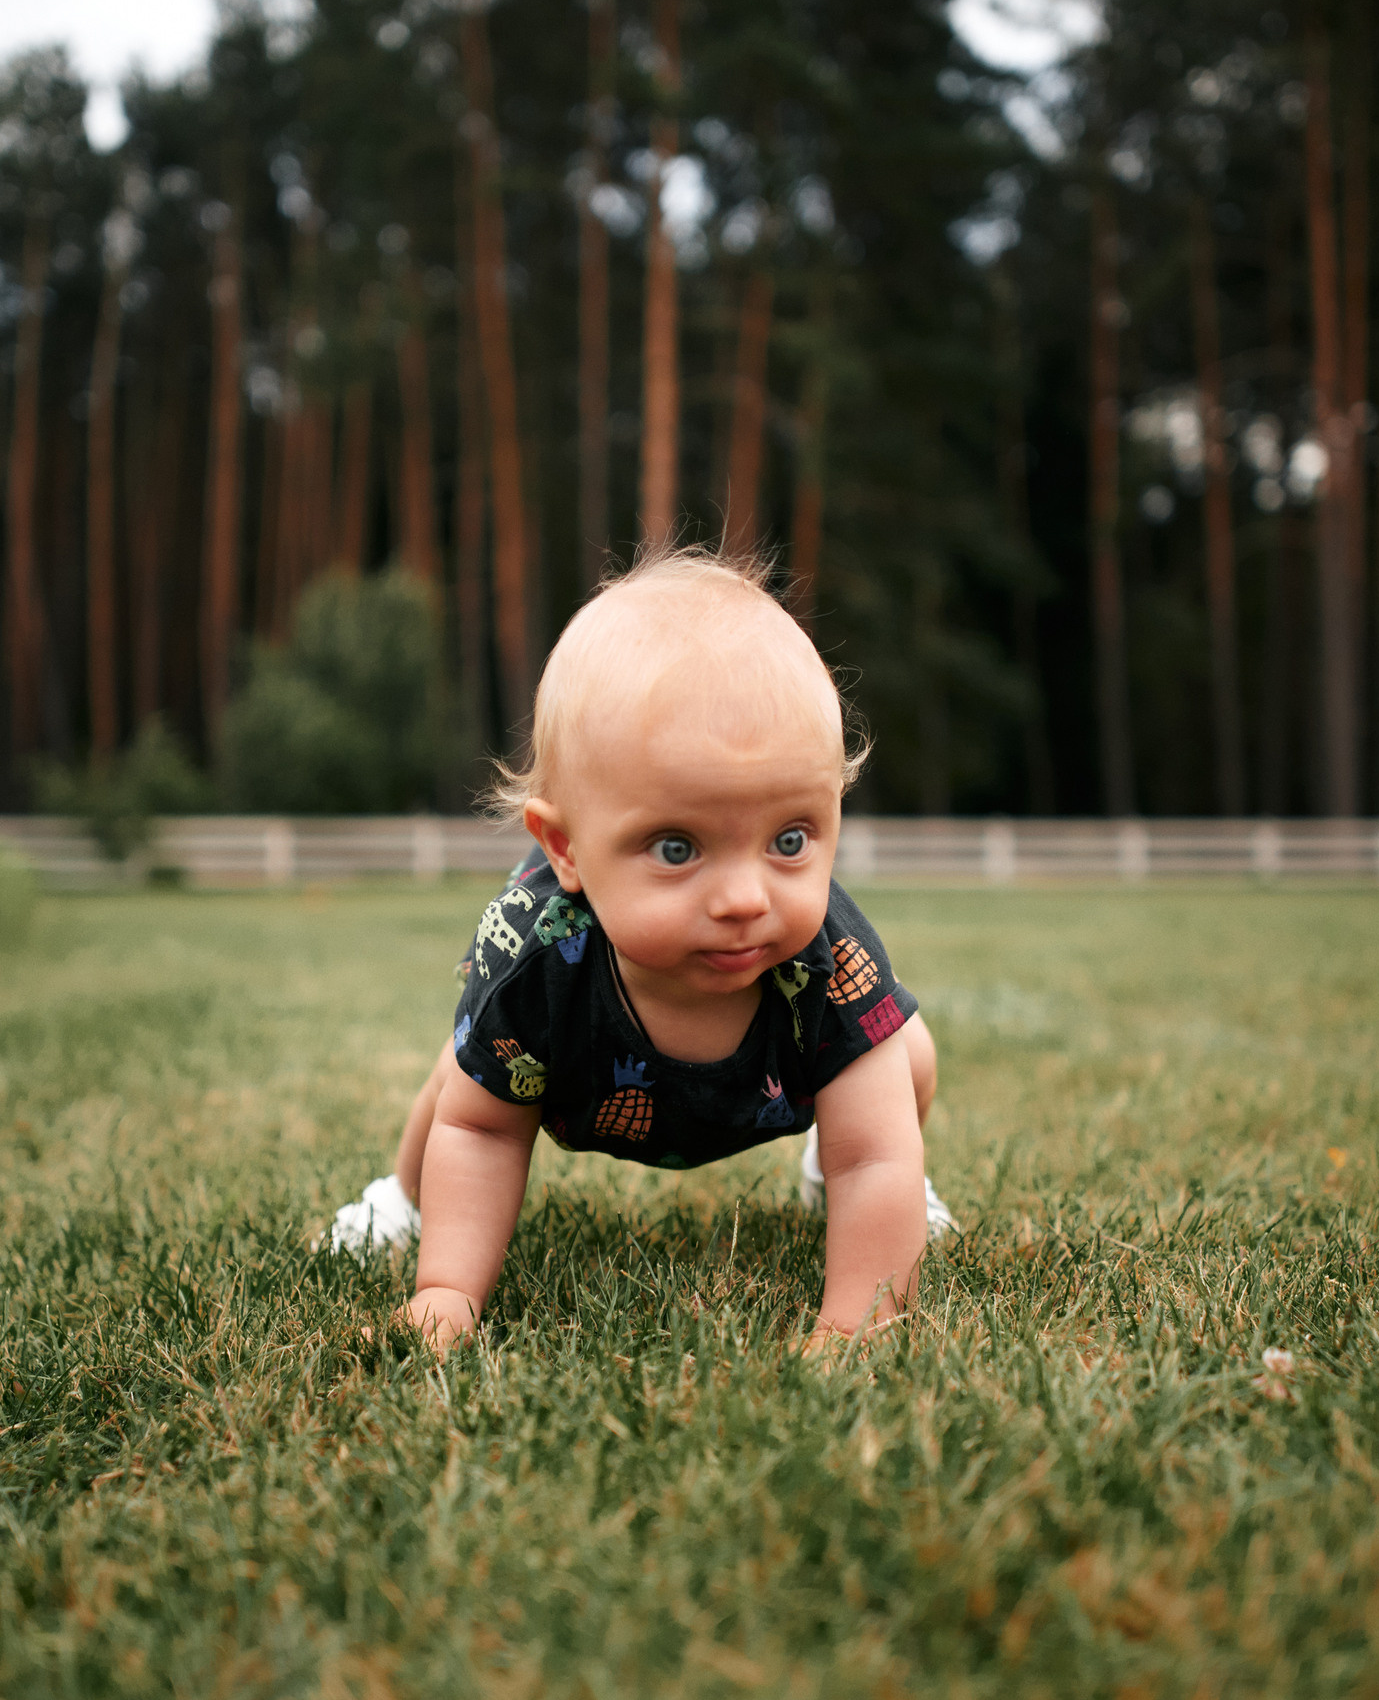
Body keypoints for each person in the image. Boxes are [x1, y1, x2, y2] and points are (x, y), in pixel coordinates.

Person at [321, 548, 954, 1351]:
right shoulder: (535, 955)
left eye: (789, 838)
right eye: (677, 848)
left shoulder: (828, 964)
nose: (744, 899)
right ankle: (400, 1199)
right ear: (567, 850)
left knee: (899, 1055)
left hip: (785, 1078)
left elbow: (877, 1155)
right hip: (566, 1059)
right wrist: (447, 1291)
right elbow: (481, 1133)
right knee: (468, 1076)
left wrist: (857, 1324)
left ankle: (822, 1186)